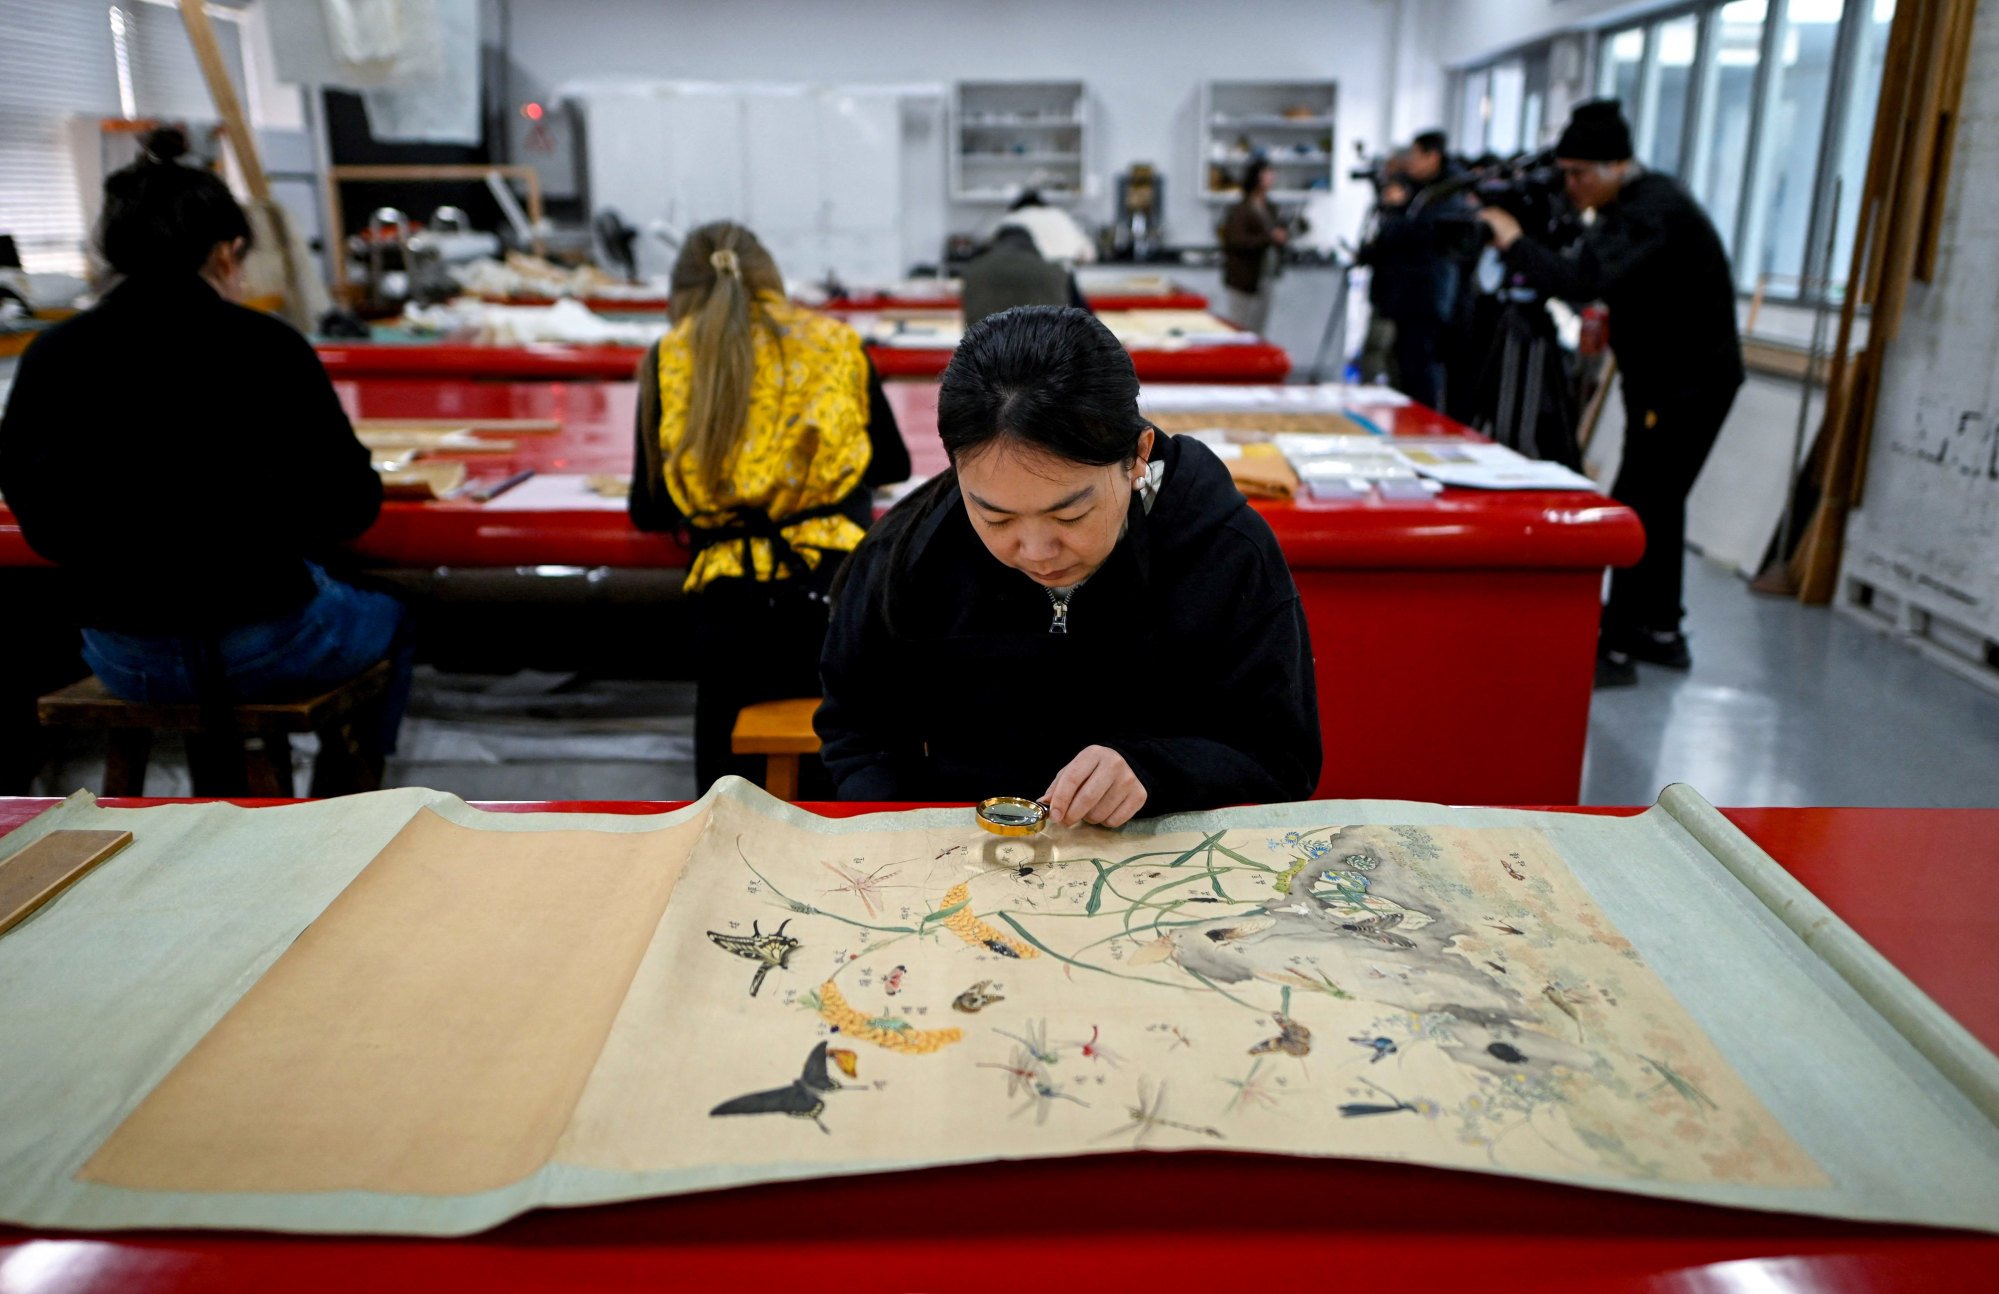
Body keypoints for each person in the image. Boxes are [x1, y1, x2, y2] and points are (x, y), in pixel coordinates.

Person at [0, 127, 409, 789]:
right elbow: (349, 506)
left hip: (120, 654)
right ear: (225, 251)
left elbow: (41, 524)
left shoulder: (51, 354)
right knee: (391, 612)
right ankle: (345, 803)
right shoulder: (268, 346)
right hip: (265, 643)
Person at [816, 306, 1321, 825]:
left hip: (1160, 863)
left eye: (1070, 513)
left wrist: (1154, 771)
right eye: (995, 517)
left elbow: (1282, 757)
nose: (1035, 550)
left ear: (1137, 456)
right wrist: (903, 827)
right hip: (967, 863)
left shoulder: (1226, 551)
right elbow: (859, 729)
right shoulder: (911, 554)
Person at [629, 222, 909, 794]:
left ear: (680, 291)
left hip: (733, 616)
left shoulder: (670, 355)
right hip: (835, 600)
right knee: (845, 774)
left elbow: (648, 507)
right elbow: (891, 463)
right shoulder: (836, 343)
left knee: (733, 802)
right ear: (770, 274)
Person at [1477, 100, 1744, 686]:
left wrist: (1514, 240)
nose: (1570, 186)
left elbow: (1581, 280)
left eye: (1580, 175)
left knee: (1639, 503)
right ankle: (1661, 631)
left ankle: (1616, 646)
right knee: (1661, 502)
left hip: (1687, 384)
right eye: (1565, 173)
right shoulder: (1635, 202)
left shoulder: (1652, 211)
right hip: (1667, 379)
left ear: (1618, 165)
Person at [1358, 131, 1474, 409]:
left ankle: (1424, 431)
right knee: (1403, 367)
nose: (1410, 163)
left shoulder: (1446, 194)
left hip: (1426, 298)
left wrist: (1396, 210)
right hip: (1406, 295)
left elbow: (1415, 235)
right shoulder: (1423, 191)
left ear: (1432, 156)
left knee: (1420, 372)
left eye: (1415, 155)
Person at [960, 224, 1080, 328]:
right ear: (1032, 245)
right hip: (1046, 352)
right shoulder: (1056, 272)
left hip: (984, 352)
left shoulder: (973, 271)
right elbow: (1084, 319)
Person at [1219, 158, 1289, 336]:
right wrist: (1269, 237)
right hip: (1244, 278)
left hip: (1264, 275)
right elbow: (1236, 240)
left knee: (1259, 329)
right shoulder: (1242, 209)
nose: (1271, 177)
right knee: (1240, 328)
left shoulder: (1270, 207)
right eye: (1267, 173)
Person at [997, 188, 1096, 265]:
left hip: (1028, 276)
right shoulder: (1060, 215)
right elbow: (1089, 255)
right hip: (1063, 277)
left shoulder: (1012, 219)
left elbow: (993, 255)